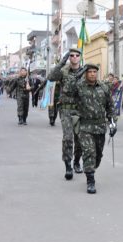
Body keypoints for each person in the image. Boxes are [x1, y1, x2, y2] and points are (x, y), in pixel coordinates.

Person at [72, 64, 116, 194]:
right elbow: (68, 88)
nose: (92, 74)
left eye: (94, 72)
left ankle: (91, 167)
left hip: (100, 127)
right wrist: (79, 73)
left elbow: (111, 106)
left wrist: (113, 123)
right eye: (89, 71)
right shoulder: (79, 87)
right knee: (89, 152)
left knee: (98, 155)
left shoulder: (104, 87)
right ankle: (90, 180)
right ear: (85, 73)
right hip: (85, 126)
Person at [47, 48, 84, 179]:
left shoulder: (85, 72)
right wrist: (62, 62)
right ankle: (68, 165)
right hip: (66, 109)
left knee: (79, 138)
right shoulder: (63, 71)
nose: (74, 57)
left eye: (76, 55)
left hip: (80, 110)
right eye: (71, 55)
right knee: (68, 137)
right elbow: (50, 77)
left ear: (80, 57)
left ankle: (76, 161)